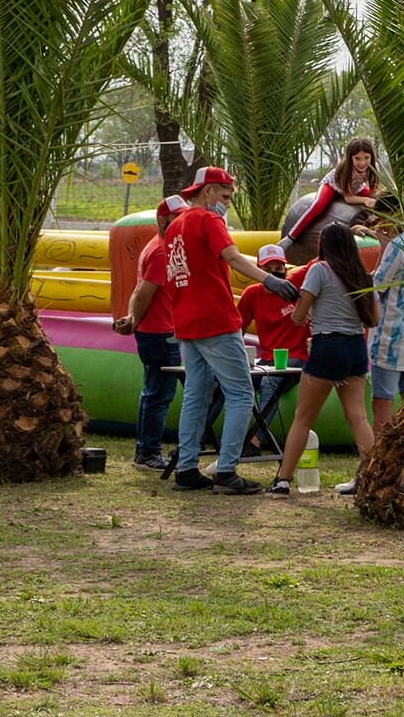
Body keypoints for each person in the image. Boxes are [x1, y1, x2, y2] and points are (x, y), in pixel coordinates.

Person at [164, 166, 301, 493]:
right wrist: (269, 279)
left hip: (187, 321)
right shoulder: (209, 220)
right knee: (240, 392)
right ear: (208, 191)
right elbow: (233, 257)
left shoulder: (174, 227)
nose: (226, 203)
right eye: (225, 196)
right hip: (215, 319)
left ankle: (186, 468)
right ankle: (226, 471)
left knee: (195, 396)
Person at [271, 222, 381, 496]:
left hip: (327, 346)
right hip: (355, 348)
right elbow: (375, 319)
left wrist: (308, 316)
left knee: (303, 418)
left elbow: (298, 315)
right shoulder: (362, 275)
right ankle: (372, 478)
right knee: (357, 417)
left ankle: (283, 480)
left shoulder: (320, 270)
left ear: (324, 245)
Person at [111, 195, 187, 470]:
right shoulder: (161, 251)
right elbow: (143, 293)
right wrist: (135, 319)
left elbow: (138, 290)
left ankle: (146, 450)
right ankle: (148, 453)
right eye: (177, 217)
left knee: (152, 390)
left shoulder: (156, 246)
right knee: (159, 393)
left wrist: (132, 318)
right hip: (160, 333)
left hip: (155, 330)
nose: (182, 222)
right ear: (163, 218)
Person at [237, 242, 310, 447]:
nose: (275, 273)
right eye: (268, 270)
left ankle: (255, 439)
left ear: (285, 268)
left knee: (270, 381)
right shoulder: (253, 294)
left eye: (279, 268)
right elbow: (237, 327)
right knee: (230, 381)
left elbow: (317, 262)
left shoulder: (296, 287)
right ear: (260, 271)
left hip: (297, 358)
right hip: (266, 359)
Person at [367, 218, 404, 433]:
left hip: (391, 334)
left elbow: (376, 287)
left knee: (383, 401)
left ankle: (380, 456)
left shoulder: (399, 244)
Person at [282, 137, 380, 247]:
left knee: (377, 200)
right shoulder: (345, 170)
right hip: (333, 187)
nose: (362, 162)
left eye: (366, 158)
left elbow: (373, 191)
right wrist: (365, 199)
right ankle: (291, 236)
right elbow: (348, 198)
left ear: (371, 157)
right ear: (350, 158)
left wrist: (377, 199)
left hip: (356, 188)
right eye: (357, 158)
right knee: (318, 205)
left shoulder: (373, 169)